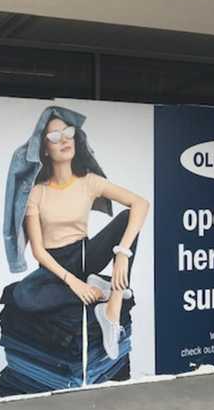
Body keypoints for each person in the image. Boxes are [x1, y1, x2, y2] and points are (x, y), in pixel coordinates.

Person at [10, 113, 149, 359]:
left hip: (84, 255)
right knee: (22, 295)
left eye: (68, 133)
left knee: (129, 220)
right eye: (55, 136)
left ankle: (112, 309)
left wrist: (123, 254)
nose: (64, 140)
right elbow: (38, 252)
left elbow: (140, 204)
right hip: (54, 266)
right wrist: (75, 285)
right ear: (44, 148)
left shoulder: (89, 182)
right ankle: (98, 288)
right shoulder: (36, 193)